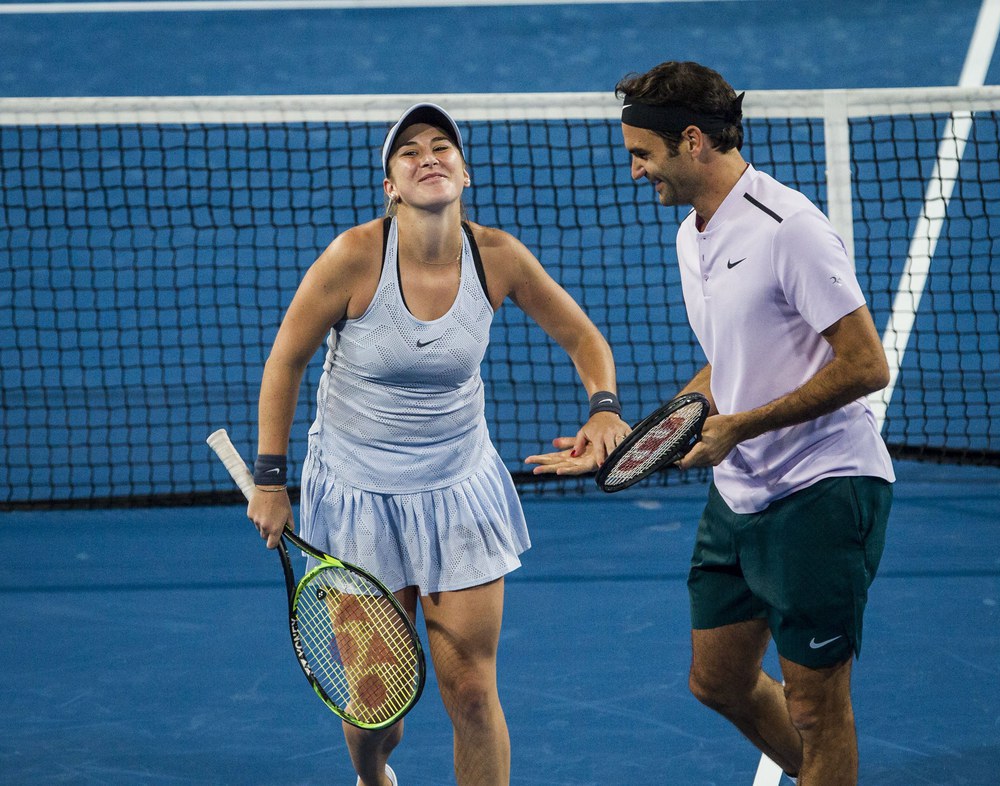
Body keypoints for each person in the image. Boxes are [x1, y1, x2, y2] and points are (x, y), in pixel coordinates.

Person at [527, 61, 895, 785]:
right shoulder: (690, 236)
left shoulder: (789, 229)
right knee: (717, 680)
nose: (635, 171)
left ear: (691, 141)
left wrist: (743, 427)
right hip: (740, 495)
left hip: (821, 491)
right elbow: (726, 365)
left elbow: (865, 366)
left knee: (819, 711)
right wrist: (639, 440)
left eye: (642, 153)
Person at [246, 102, 629, 786]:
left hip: (457, 489)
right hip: (359, 496)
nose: (428, 156)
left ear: (465, 173)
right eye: (409, 151)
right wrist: (271, 480)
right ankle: (371, 777)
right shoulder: (353, 258)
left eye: (442, 146)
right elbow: (285, 361)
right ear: (390, 186)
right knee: (377, 710)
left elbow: (583, 338)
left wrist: (604, 409)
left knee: (474, 692)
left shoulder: (499, 257)